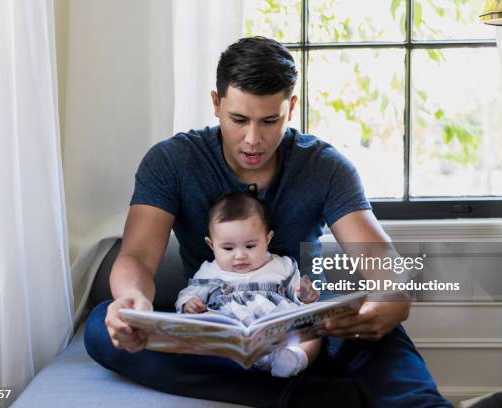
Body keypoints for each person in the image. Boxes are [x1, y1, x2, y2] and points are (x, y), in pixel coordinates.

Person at [84, 36, 452, 407]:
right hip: (216, 328)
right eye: (239, 120)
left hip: (306, 330)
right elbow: (137, 257)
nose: (253, 139)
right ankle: (311, 397)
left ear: (290, 108)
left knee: (384, 334)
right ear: (216, 104)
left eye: (269, 121)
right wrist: (132, 303)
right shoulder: (172, 161)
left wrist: (393, 294)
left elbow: (378, 256)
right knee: (103, 327)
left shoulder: (325, 166)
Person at [176, 191, 321, 378]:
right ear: (211, 245)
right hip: (229, 337)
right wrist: (189, 304)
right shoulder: (209, 271)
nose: (240, 255)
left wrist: (306, 296)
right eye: (228, 248)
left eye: (250, 246)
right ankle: (220, 371)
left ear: (267, 239)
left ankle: (295, 358)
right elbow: (189, 293)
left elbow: (298, 297)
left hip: (278, 333)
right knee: (196, 332)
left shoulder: (281, 265)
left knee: (314, 330)